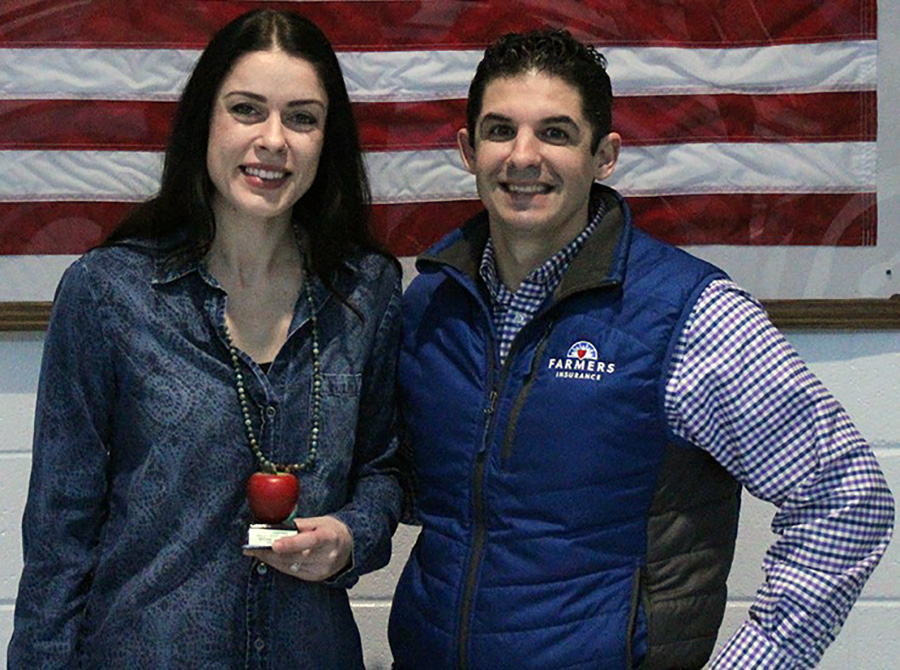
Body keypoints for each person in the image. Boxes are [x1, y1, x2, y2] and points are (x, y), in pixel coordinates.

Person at [389, 29, 894, 669]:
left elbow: (848, 498)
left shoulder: (692, 316)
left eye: (556, 133)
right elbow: (421, 491)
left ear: (604, 155)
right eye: (499, 130)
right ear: (467, 149)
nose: (522, 156)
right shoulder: (431, 304)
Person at [9, 9, 402, 669]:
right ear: (205, 122)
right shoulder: (109, 295)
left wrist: (350, 536)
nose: (273, 139)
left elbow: (384, 470)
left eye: (301, 117)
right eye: (247, 110)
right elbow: (59, 541)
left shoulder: (366, 295)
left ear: (325, 140)